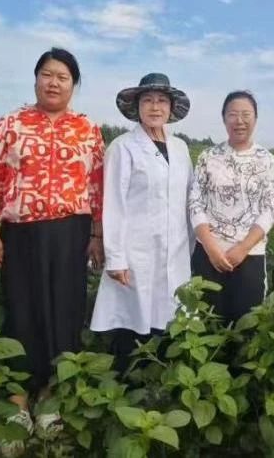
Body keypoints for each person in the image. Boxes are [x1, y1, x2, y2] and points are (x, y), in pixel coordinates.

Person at [0, 48, 104, 442]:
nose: (53, 83)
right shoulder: (9, 125)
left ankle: (50, 395)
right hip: (22, 232)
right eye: (47, 74)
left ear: (73, 85)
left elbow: (97, 187)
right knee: (22, 308)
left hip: (71, 232)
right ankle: (18, 399)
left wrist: (97, 234)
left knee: (65, 310)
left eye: (62, 77)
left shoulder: (87, 129)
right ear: (35, 79)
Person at [90, 73, 193, 372]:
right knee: (132, 325)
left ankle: (161, 386)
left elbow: (189, 199)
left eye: (162, 101)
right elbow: (114, 204)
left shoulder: (181, 148)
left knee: (169, 321)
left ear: (171, 108)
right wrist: (116, 258)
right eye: (148, 100)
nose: (155, 107)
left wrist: (191, 245)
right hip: (135, 254)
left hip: (175, 251)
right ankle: (126, 384)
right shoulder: (123, 147)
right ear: (137, 107)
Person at [187, 91, 274, 322]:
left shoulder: (266, 159)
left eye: (246, 114)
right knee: (207, 322)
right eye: (233, 114)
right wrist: (211, 248)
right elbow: (195, 202)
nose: (240, 121)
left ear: (255, 119)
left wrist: (243, 248)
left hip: (250, 254)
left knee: (246, 325)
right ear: (224, 118)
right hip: (209, 254)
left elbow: (270, 207)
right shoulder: (208, 156)